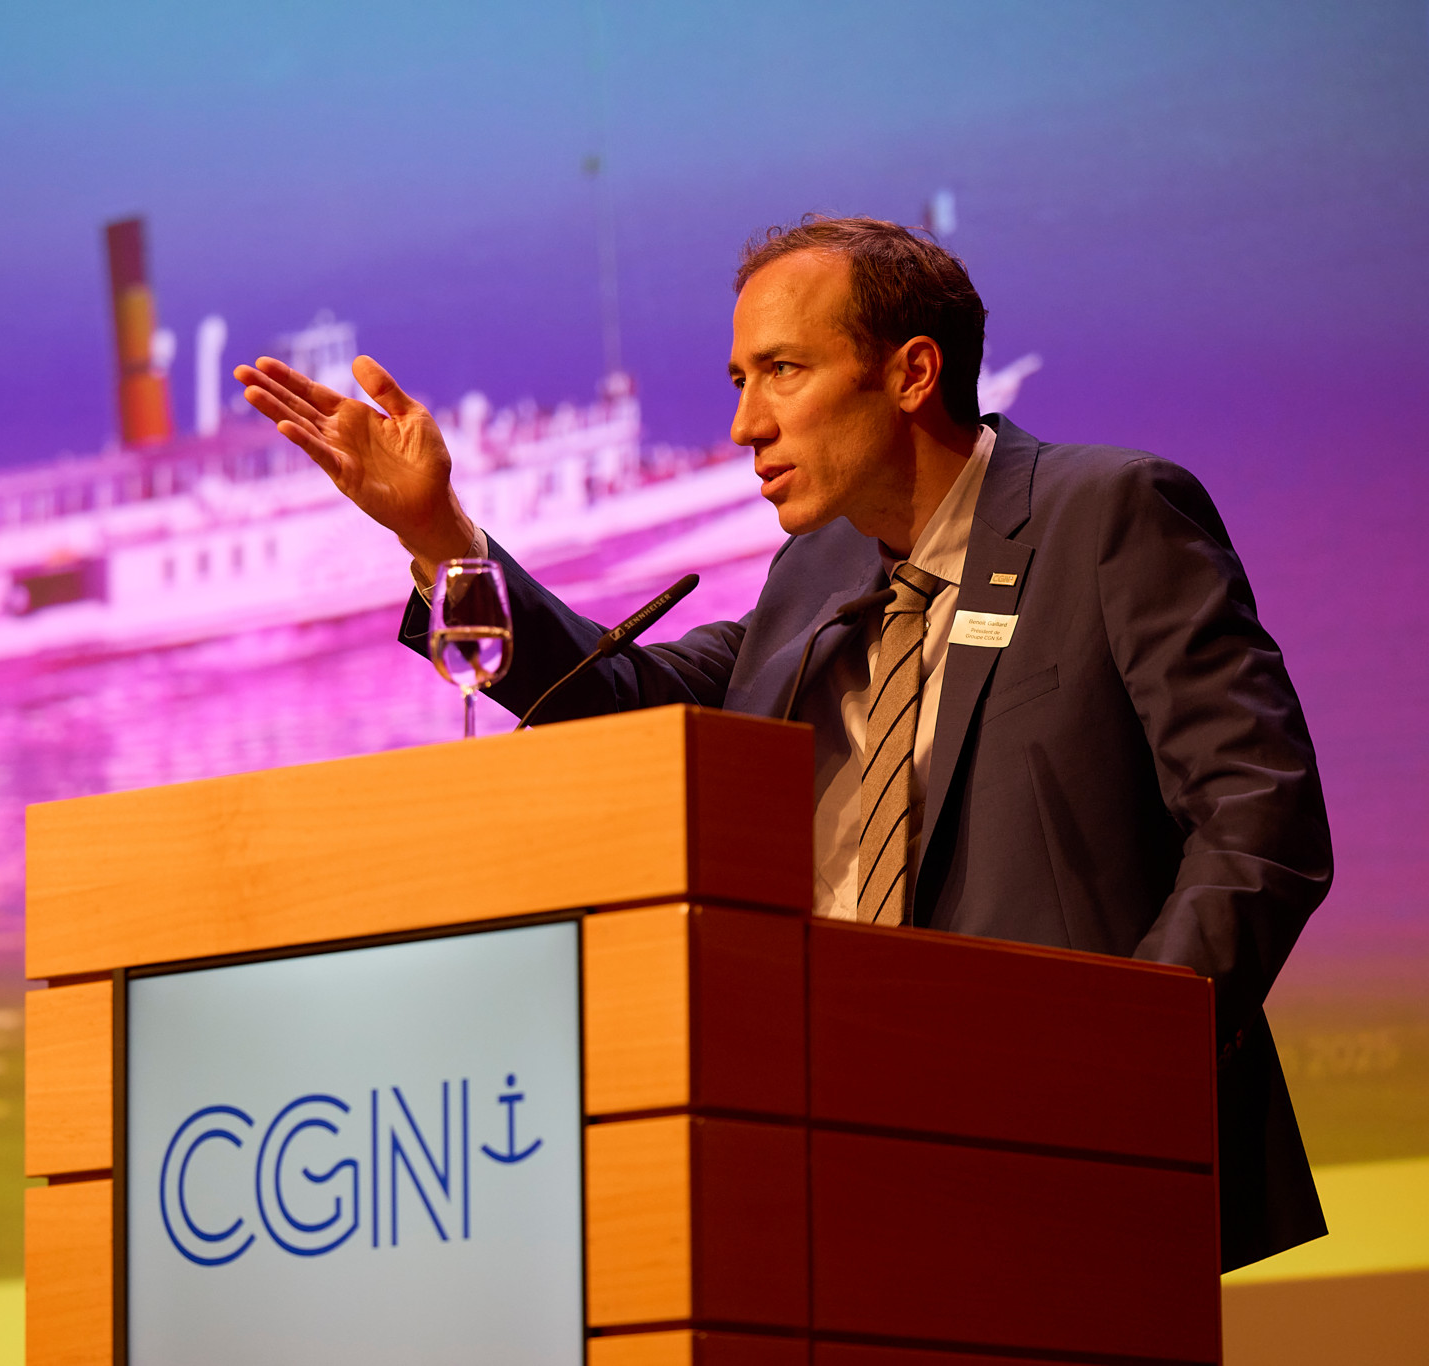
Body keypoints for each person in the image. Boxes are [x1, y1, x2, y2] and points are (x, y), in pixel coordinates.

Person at [235, 214, 1330, 1270]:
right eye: (736, 382)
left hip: (1062, 1165)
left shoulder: (1105, 515)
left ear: (910, 373)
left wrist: (1121, 1068)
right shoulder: (815, 575)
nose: (744, 425)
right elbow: (615, 698)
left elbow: (1257, 821)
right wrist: (437, 537)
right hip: (820, 1156)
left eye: (782, 372)